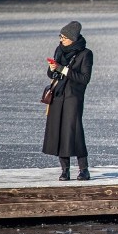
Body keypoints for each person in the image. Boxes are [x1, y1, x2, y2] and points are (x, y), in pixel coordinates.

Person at [42, 21, 93, 181]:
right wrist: (52, 70)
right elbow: (52, 76)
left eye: (64, 37)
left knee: (74, 131)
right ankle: (65, 170)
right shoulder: (59, 50)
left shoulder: (86, 54)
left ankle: (84, 169)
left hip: (73, 97)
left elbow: (84, 79)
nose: (61, 40)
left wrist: (63, 69)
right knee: (58, 131)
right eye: (60, 36)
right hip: (57, 96)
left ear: (73, 38)